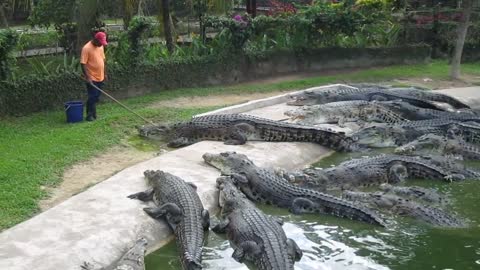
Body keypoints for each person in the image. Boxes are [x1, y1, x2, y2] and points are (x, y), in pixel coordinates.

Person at [80, 31, 108, 121]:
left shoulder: (100, 47)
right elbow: (83, 64)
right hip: (92, 77)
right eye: (100, 42)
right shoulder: (86, 48)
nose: (101, 44)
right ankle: (89, 115)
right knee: (92, 96)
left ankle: (93, 114)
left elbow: (103, 60)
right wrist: (88, 77)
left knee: (96, 97)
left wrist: (105, 73)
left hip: (101, 76)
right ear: (95, 39)